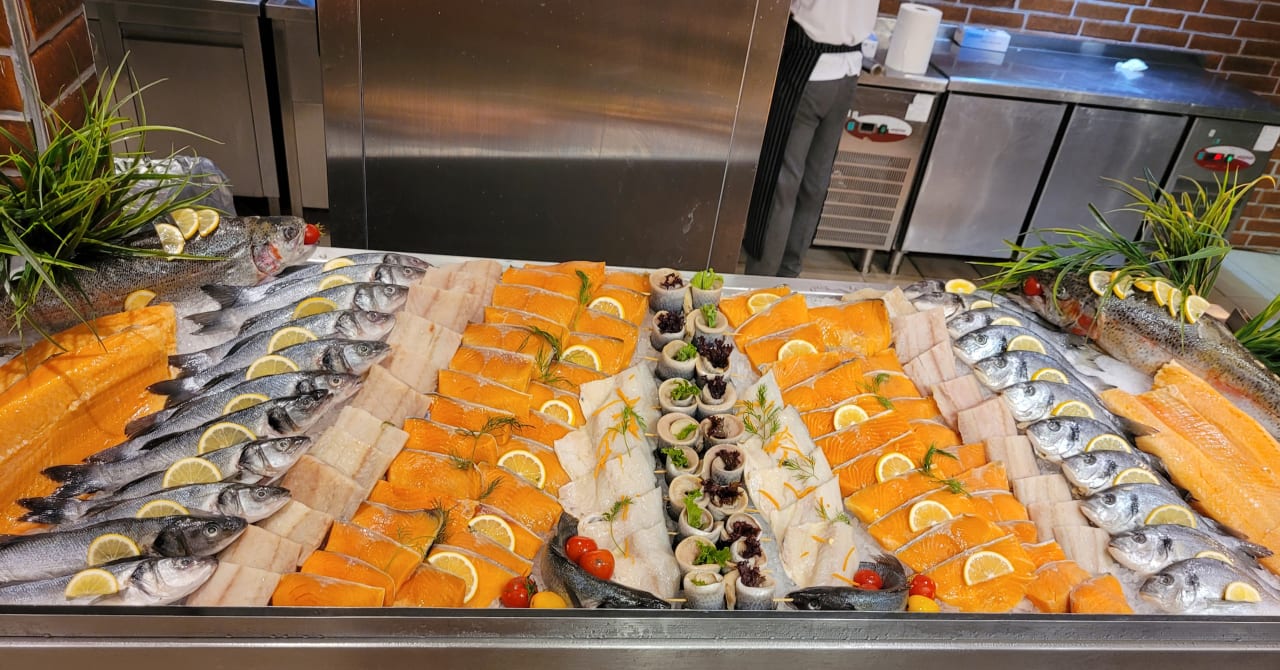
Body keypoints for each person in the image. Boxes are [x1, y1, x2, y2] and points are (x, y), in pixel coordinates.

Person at [743, 0, 878, 278]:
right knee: (814, 184)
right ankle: (789, 278)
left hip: (807, 67)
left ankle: (759, 284)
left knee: (781, 183)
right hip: (848, 74)